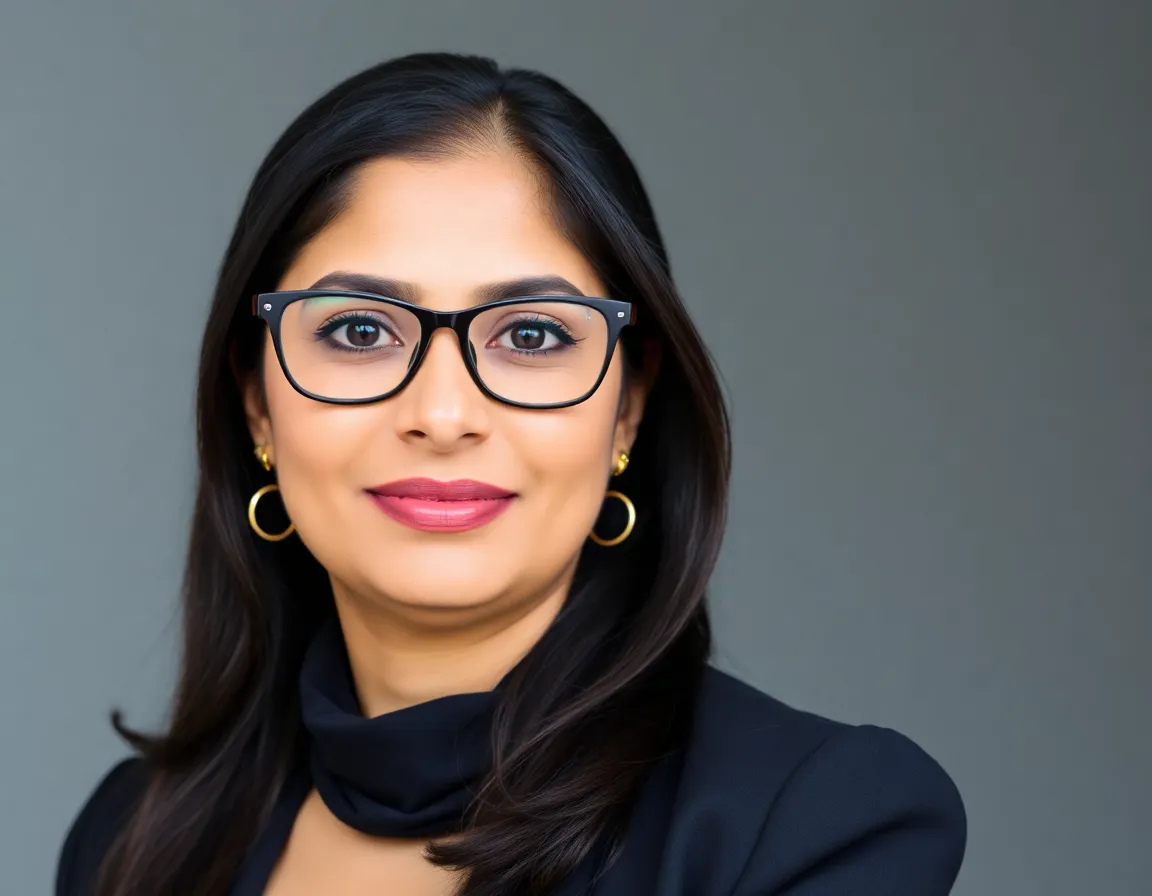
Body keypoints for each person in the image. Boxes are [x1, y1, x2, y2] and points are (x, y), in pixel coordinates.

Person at [55, 52, 966, 896]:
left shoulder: (813, 828)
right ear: (257, 402)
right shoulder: (131, 840)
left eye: (532, 335)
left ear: (630, 406)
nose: (444, 417)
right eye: (360, 330)